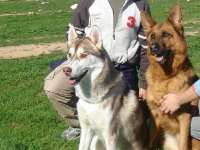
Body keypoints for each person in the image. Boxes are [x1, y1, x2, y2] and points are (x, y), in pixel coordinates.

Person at [44, 0, 150, 140]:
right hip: (88, 64)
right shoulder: (88, 3)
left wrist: (144, 82)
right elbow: (74, 34)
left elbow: (146, 47)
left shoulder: (140, 4)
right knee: (55, 87)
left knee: (124, 127)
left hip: (122, 67)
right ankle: (79, 125)